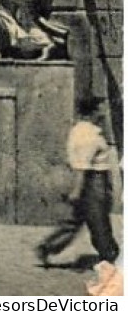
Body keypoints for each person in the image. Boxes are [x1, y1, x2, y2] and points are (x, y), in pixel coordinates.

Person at [38, 95, 121, 267]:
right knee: (98, 220)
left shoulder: (80, 129)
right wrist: (77, 190)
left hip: (90, 180)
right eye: (101, 108)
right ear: (93, 111)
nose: (104, 112)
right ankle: (110, 255)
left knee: (76, 220)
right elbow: (83, 166)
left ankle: (48, 246)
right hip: (93, 181)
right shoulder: (88, 135)